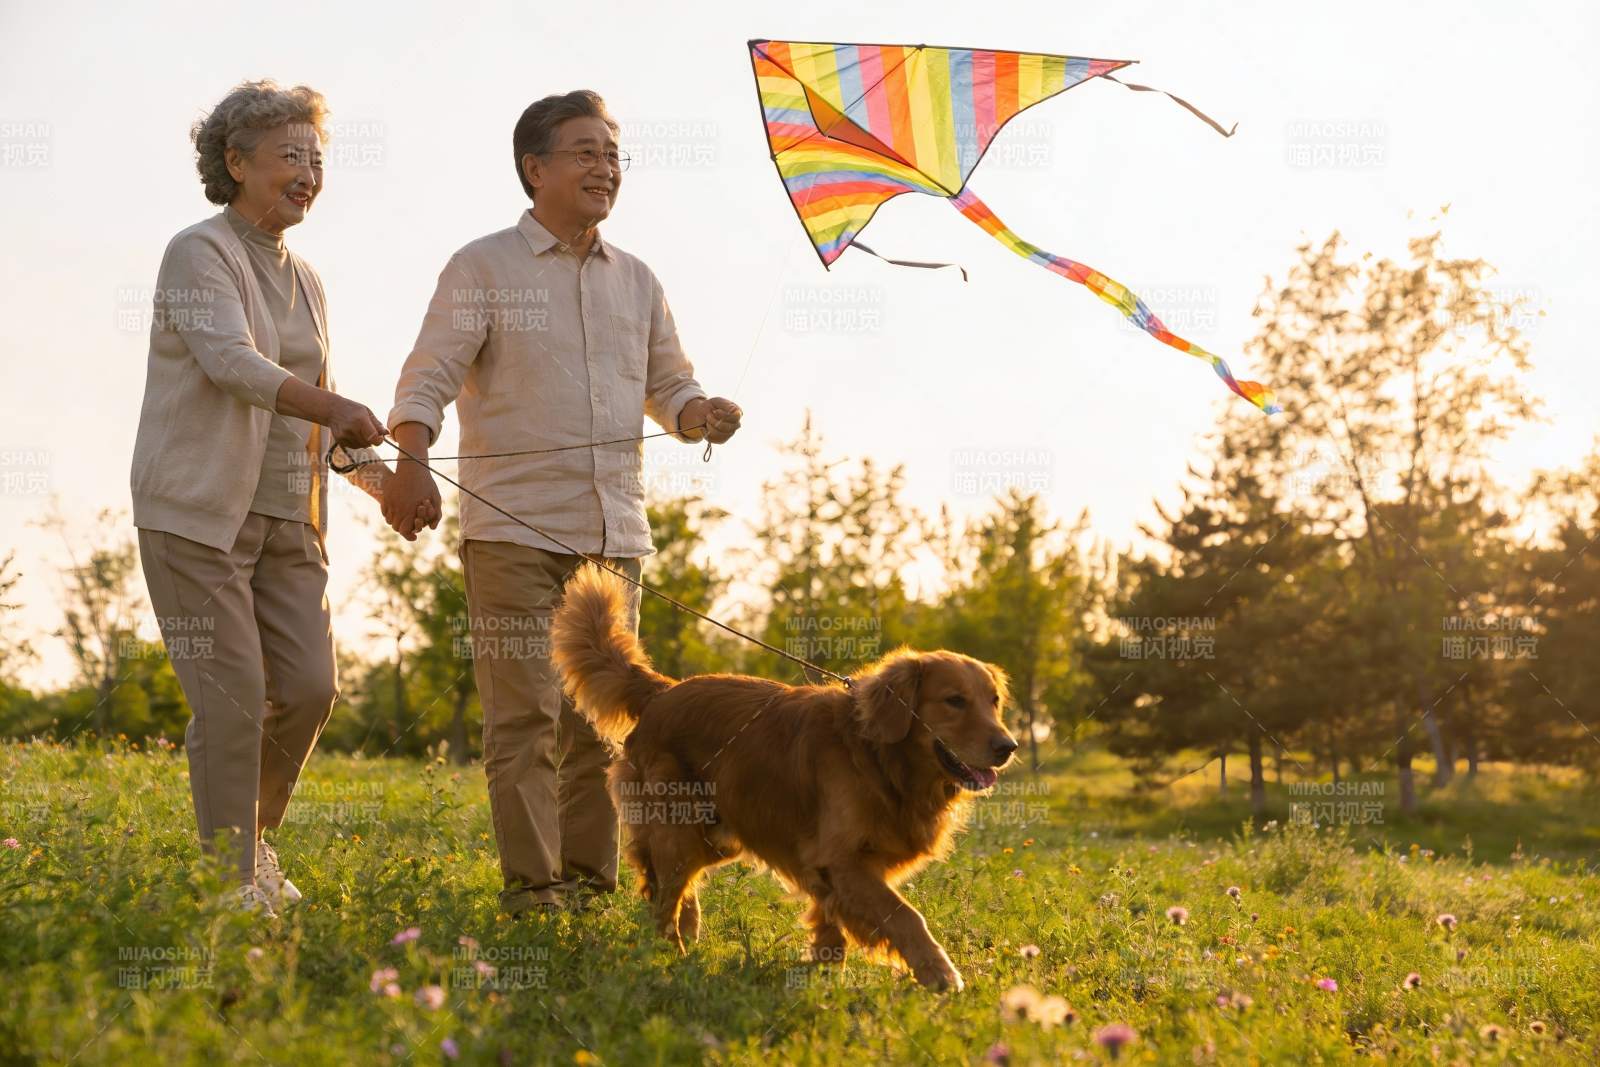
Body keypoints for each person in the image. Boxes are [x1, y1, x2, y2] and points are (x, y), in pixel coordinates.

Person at [383, 90, 742, 915]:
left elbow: (669, 384)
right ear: (533, 167)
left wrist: (698, 414)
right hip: (510, 530)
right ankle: (532, 895)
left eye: (613, 154)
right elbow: (428, 373)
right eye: (584, 152)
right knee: (525, 722)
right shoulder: (482, 266)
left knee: (605, 726)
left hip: (614, 539)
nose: (605, 168)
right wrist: (409, 462)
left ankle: (588, 889)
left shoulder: (639, 279)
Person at [131, 80, 406, 917]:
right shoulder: (197, 251)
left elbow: (318, 407)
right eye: (291, 156)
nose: (309, 173)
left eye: (317, 159)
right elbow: (233, 363)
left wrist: (380, 481)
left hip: (291, 515)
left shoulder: (310, 278)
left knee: (311, 685)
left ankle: (252, 844)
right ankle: (229, 885)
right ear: (235, 161)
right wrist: (333, 405)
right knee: (233, 692)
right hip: (198, 510)